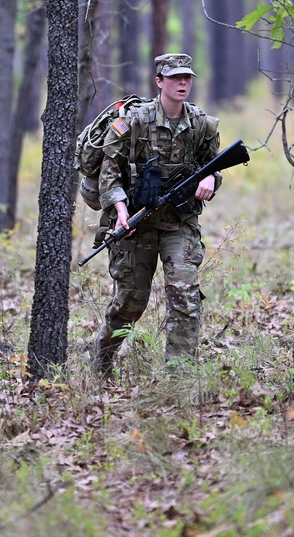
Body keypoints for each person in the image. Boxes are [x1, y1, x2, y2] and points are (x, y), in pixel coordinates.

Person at [91, 53, 222, 378]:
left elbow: (216, 165)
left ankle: (178, 378)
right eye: (175, 77)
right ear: (159, 81)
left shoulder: (202, 125)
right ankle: (101, 366)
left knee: (184, 294)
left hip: (179, 224)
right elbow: (109, 172)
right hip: (136, 222)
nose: (182, 83)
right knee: (131, 303)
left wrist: (211, 178)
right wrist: (121, 211)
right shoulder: (133, 121)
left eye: (187, 78)